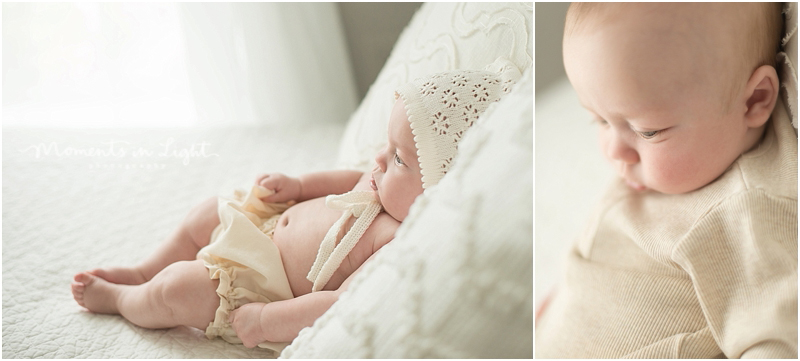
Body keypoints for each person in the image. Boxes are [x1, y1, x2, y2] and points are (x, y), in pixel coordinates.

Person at [71, 63, 519, 351]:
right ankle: (143, 268)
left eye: (399, 158)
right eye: (388, 146)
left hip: (261, 282)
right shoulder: (383, 183)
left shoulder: (398, 239)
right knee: (205, 213)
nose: (379, 160)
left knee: (175, 292)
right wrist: (298, 185)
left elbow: (341, 302)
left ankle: (124, 297)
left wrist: (267, 321)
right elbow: (345, 179)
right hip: (261, 225)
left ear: (440, 188)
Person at [536, 3, 797, 358]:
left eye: (649, 131)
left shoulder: (744, 214)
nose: (615, 151)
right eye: (598, 120)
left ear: (755, 100)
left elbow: (778, 340)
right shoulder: (668, 169)